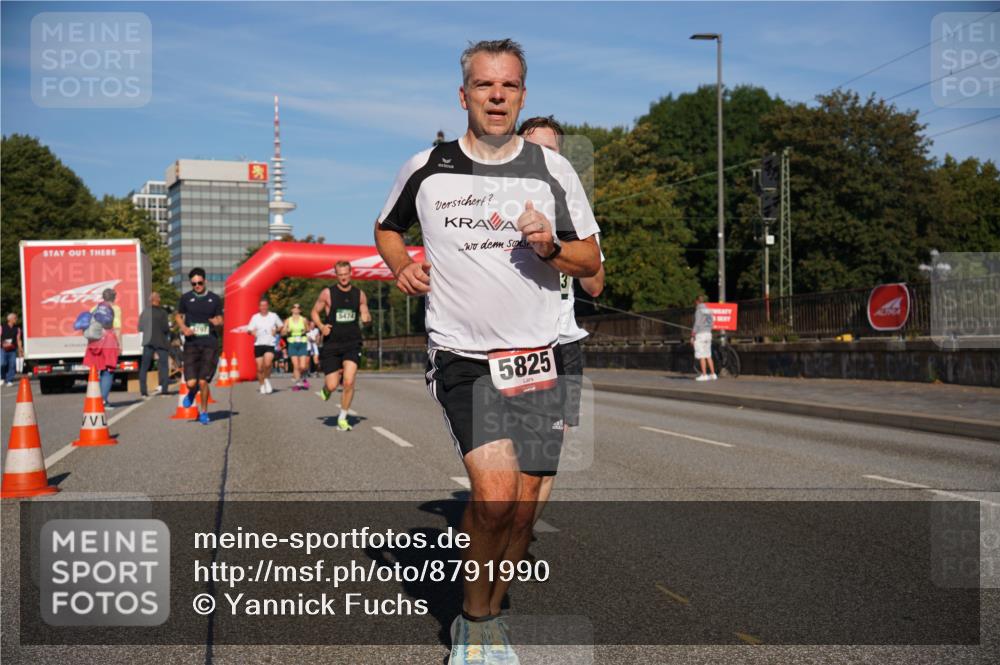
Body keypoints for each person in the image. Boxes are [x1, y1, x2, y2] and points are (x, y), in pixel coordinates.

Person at [374, 39, 600, 663]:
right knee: (496, 494)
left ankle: (493, 611)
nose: (496, 96)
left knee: (523, 511)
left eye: (509, 86)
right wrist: (400, 265)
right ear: (464, 95)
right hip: (464, 356)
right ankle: (473, 623)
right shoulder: (427, 168)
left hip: (539, 358)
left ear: (522, 96)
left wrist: (551, 246)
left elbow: (591, 262)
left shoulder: (553, 170)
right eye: (484, 85)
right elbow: (387, 227)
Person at [518, 116, 606, 534]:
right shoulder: (494, 206)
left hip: (564, 347)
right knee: (505, 450)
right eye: (533, 151)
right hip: (515, 344)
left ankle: (518, 535)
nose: (542, 160)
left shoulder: (575, 213)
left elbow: (595, 285)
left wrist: (561, 249)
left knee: (546, 455)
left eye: (550, 152)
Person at [311, 261, 371, 431]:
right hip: (332, 344)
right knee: (332, 385)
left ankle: (343, 417)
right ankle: (326, 389)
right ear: (336, 275)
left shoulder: (359, 294)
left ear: (351, 273)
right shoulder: (327, 293)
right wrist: (321, 326)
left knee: (349, 381)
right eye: (340, 274)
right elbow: (314, 312)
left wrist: (367, 318)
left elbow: (365, 314)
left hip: (352, 343)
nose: (343, 277)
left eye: (346, 274)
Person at [175, 268, 223, 424]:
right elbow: (178, 316)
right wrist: (184, 328)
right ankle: (191, 392)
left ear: (205, 281)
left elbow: (220, 319)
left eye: (200, 283)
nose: (197, 286)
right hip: (191, 344)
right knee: (191, 383)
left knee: (203, 381)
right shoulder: (186, 298)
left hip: (210, 344)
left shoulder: (214, 299)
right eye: (194, 283)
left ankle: (203, 412)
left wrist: (217, 322)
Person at [83, 289, 122, 409]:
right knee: (108, 371)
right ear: (114, 298)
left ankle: (96, 399)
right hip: (108, 342)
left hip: (94, 342)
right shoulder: (115, 309)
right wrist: (119, 345)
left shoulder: (94, 308)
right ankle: (103, 401)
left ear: (103, 297)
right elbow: (117, 328)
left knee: (97, 370)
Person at [247, 298, 283, 394]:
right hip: (258, 344)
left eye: (265, 305)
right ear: (259, 307)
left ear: (268, 306)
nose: (263, 307)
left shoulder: (273, 316)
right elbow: (249, 330)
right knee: (259, 368)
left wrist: (276, 330)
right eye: (261, 305)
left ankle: (266, 379)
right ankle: (262, 385)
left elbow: (281, 325)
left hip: (269, 343)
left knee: (267, 364)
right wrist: (252, 332)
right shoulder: (255, 317)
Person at [138, 292, 171, 397]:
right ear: (158, 300)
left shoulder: (145, 312)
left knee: (144, 366)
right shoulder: (162, 312)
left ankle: (143, 392)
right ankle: (164, 390)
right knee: (164, 366)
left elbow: (140, 327)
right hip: (161, 341)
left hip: (148, 341)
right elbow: (165, 328)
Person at [282, 303, 311, 390]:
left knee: (303, 366)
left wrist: (305, 330)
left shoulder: (304, 319)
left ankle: (304, 377)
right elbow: (282, 332)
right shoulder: (288, 320)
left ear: (300, 310)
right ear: (292, 310)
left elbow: (308, 329)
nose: (296, 309)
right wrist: (286, 330)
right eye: (294, 307)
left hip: (302, 343)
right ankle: (298, 384)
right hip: (292, 343)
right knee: (296, 365)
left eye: (298, 308)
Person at [692, 294, 717, 381]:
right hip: (708, 333)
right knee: (708, 355)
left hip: (700, 334)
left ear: (697, 301)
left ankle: (704, 375)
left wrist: (693, 335)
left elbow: (697, 324)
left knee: (701, 355)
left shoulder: (699, 310)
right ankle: (713, 374)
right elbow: (712, 323)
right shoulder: (708, 310)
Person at [1, 313, 23, 386]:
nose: (16, 319)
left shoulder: (17, 329)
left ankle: (9, 380)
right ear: (10, 319)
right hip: (2, 349)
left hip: (12, 350)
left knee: (12, 365)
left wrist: (20, 350)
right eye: (15, 318)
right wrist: (3, 343)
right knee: (2, 364)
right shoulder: (2, 327)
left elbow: (18, 340)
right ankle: (2, 378)